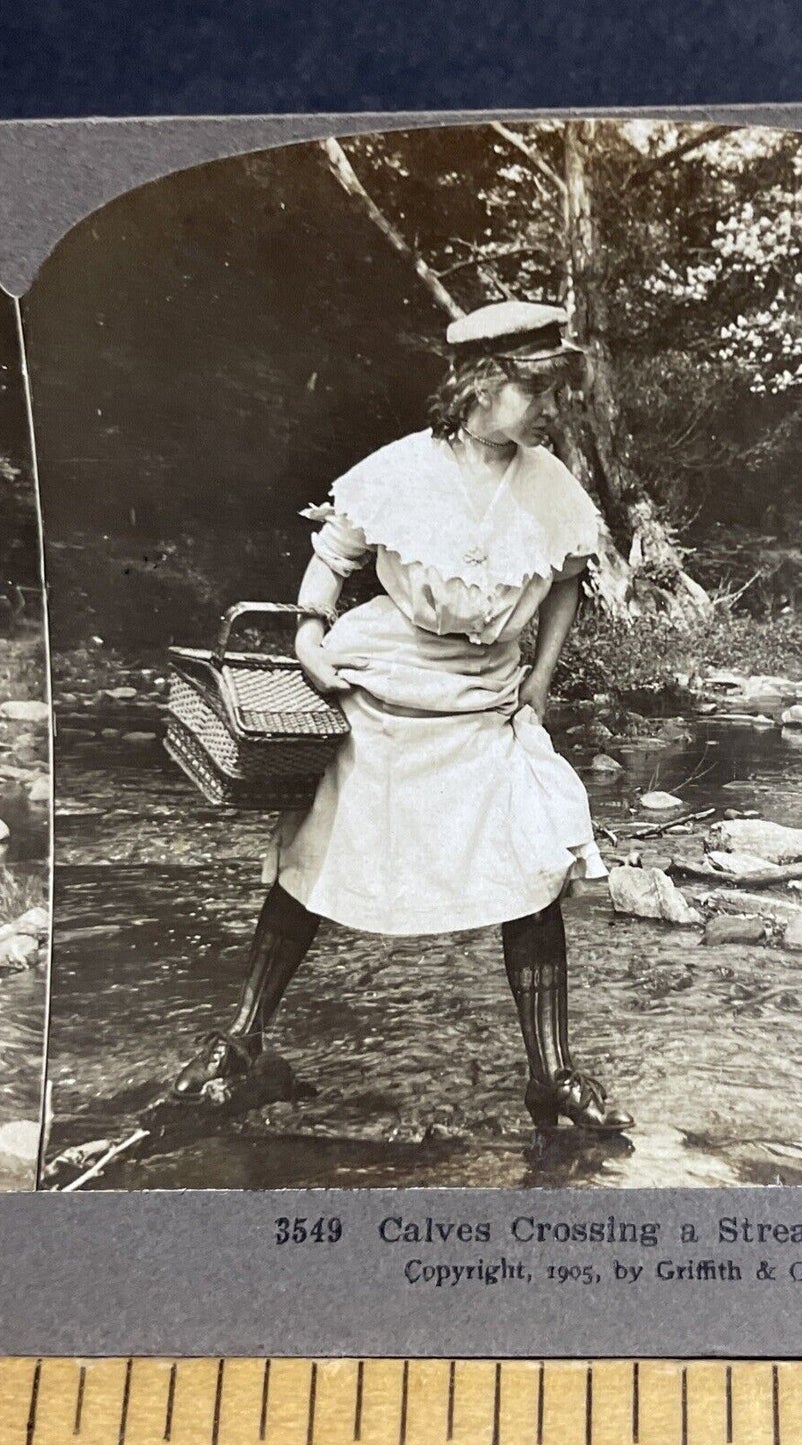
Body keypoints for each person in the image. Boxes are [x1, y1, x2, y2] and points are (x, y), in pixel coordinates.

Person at [171, 300, 632, 1135]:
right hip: (381, 692)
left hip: (484, 700)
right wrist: (311, 635)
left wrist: (540, 682)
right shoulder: (396, 472)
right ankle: (239, 1043)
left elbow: (567, 575)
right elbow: (331, 559)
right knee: (313, 867)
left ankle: (551, 1072)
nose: (548, 408)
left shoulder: (548, 481)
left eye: (553, 390)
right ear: (482, 384)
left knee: (532, 869)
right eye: (535, 390)